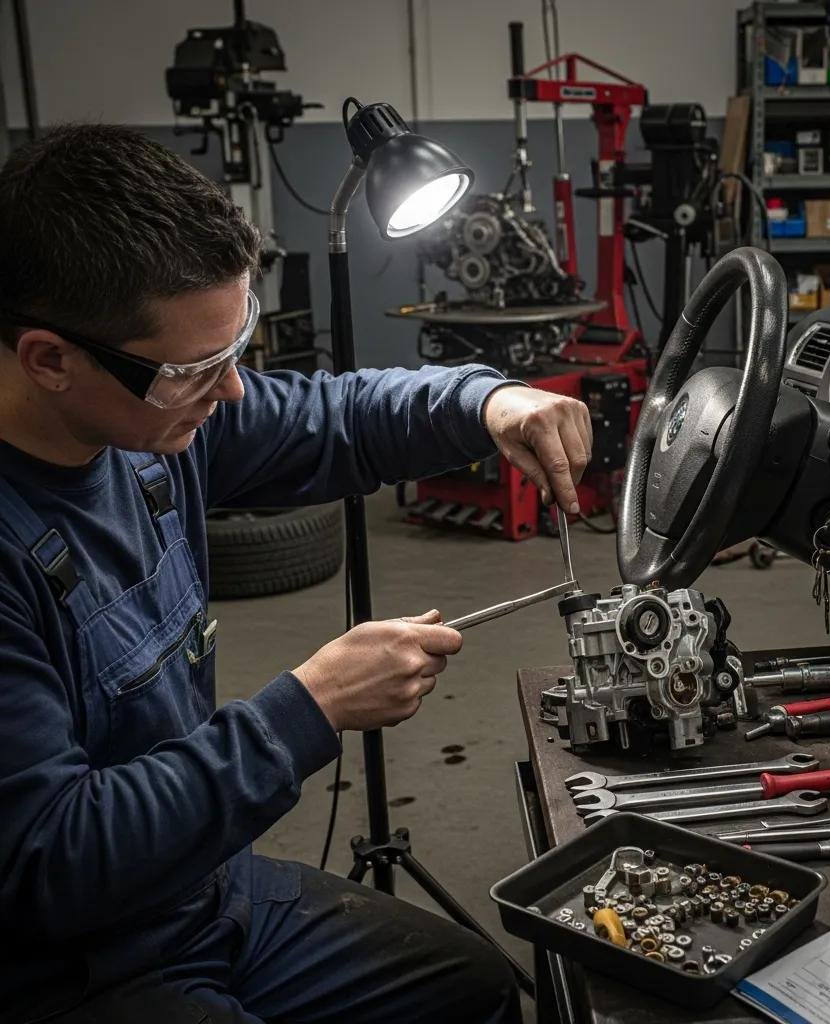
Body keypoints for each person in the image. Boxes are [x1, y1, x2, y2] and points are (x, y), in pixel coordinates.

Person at [0, 124, 594, 1024]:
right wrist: (306, 710)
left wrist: (486, 400)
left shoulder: (151, 423)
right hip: (70, 964)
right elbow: (51, 859)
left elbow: (332, 418)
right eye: (199, 369)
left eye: (234, 352)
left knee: (472, 992)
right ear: (49, 359)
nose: (232, 393)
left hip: (200, 893)